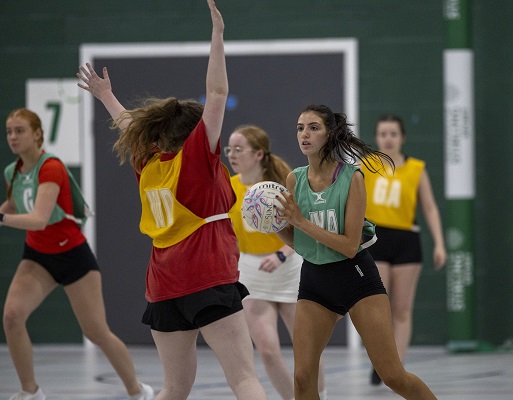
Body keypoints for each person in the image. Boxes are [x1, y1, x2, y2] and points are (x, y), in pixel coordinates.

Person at [76, 1, 268, 399]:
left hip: (164, 286)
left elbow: (131, 126)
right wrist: (218, 35)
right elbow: (217, 91)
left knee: (174, 389)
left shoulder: (149, 165)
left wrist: (107, 97)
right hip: (208, 276)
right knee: (245, 379)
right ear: (196, 135)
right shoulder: (196, 160)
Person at [275, 104, 438, 400]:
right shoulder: (294, 180)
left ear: (329, 134)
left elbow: (350, 245)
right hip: (314, 280)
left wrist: (299, 221)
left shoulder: (352, 178)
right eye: (300, 128)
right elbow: (301, 242)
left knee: (392, 375)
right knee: (301, 377)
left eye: (313, 127)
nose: (304, 134)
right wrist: (274, 226)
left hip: (355, 278)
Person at [1, 108, 154, 400]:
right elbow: (13, 205)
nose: (13, 137)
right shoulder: (13, 172)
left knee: (96, 332)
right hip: (37, 255)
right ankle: (30, 391)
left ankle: (138, 390)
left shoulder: (51, 167)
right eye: (9, 131)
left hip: (72, 256)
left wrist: (2, 220)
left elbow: (39, 218)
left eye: (19, 130)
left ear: (36, 133)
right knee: (12, 316)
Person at [226, 125, 327, 400]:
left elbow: (303, 227)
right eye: (229, 149)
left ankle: (320, 395)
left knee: (307, 347)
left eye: (238, 149)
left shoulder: (284, 183)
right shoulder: (228, 186)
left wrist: (282, 253)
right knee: (268, 352)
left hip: (289, 268)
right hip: (251, 272)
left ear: (258, 154)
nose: (232, 155)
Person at [360, 113, 446, 385]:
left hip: (407, 240)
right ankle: (380, 359)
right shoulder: (366, 165)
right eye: (383, 133)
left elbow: (429, 207)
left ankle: (396, 366)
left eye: (393, 134)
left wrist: (440, 244)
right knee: (378, 307)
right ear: (377, 137)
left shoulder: (416, 169)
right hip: (375, 238)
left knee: (402, 309)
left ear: (402, 138)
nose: (388, 138)